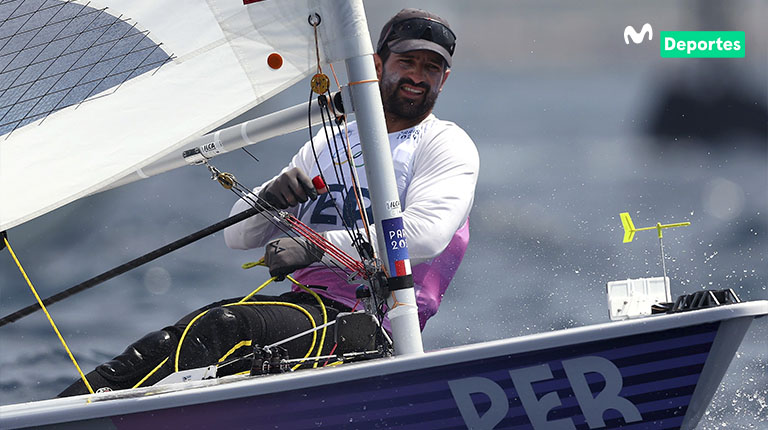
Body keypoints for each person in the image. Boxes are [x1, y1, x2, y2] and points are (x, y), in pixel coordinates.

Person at [60, 8, 478, 397]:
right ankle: (51, 414)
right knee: (167, 344)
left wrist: (317, 247)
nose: (418, 76)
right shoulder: (330, 143)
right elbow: (238, 237)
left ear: (444, 79)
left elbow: (427, 235)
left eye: (432, 68)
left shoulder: (444, 144)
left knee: (221, 328)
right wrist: (269, 198)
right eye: (407, 62)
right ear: (376, 64)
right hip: (305, 312)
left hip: (369, 328)